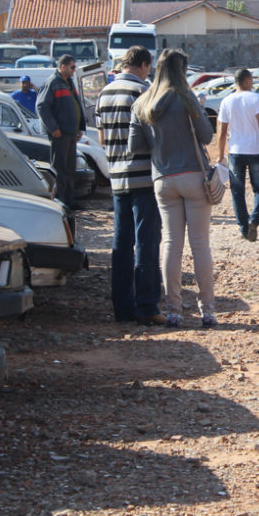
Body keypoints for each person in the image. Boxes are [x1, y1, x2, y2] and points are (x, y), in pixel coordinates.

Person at [128, 49, 216, 328]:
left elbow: (134, 147)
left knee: (171, 244)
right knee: (200, 244)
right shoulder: (187, 99)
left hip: (163, 180)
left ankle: (174, 309)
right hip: (193, 175)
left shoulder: (143, 101)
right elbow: (206, 135)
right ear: (182, 70)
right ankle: (207, 310)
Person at [95, 46, 164, 326]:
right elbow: (154, 136)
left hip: (117, 177)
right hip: (143, 177)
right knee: (147, 241)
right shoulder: (144, 92)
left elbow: (101, 139)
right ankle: (147, 305)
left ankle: (122, 308)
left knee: (121, 243)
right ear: (144, 65)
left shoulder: (104, 93)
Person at [215, 68, 259, 241]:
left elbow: (221, 130)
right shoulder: (256, 98)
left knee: (237, 191)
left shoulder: (226, 101)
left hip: (235, 151)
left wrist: (220, 154)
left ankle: (244, 229)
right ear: (247, 80)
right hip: (256, 150)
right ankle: (254, 220)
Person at [36, 55, 86, 208]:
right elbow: (41, 106)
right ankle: (61, 201)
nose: (74, 71)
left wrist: (79, 128)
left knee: (70, 168)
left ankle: (70, 201)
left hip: (71, 133)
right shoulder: (53, 82)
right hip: (60, 134)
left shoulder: (68, 83)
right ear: (63, 67)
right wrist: (54, 128)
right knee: (60, 169)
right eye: (72, 67)